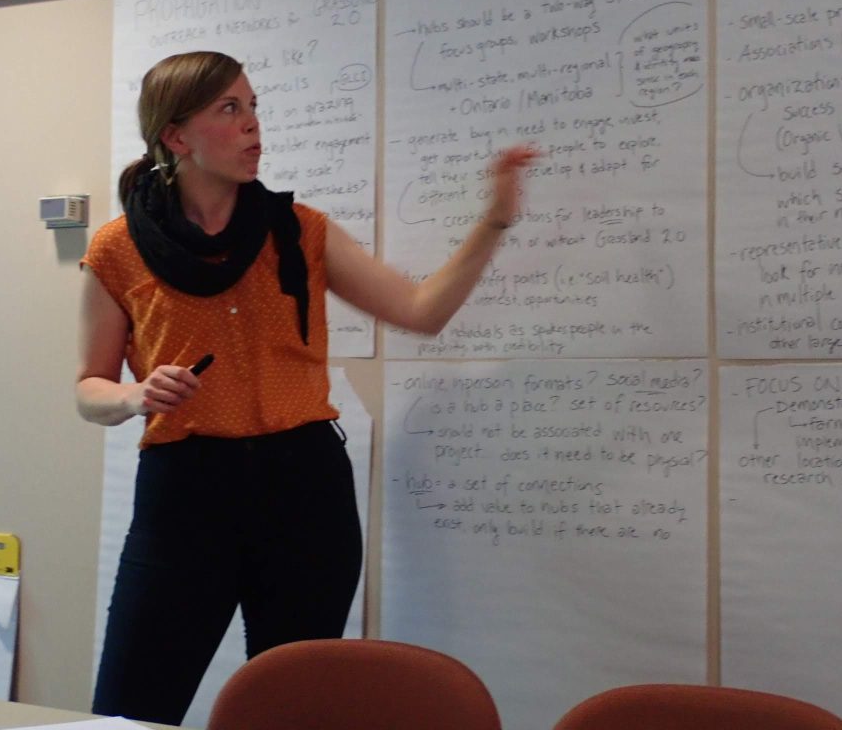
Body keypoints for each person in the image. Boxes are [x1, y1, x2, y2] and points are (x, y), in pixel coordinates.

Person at [76, 50, 535, 725]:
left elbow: (420, 313)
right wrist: (135, 396)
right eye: (229, 109)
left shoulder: (300, 230)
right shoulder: (118, 247)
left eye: (254, 106)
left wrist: (494, 219)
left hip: (304, 492)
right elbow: (89, 387)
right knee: (129, 711)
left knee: (294, 709)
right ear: (177, 135)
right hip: (185, 494)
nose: (253, 125)